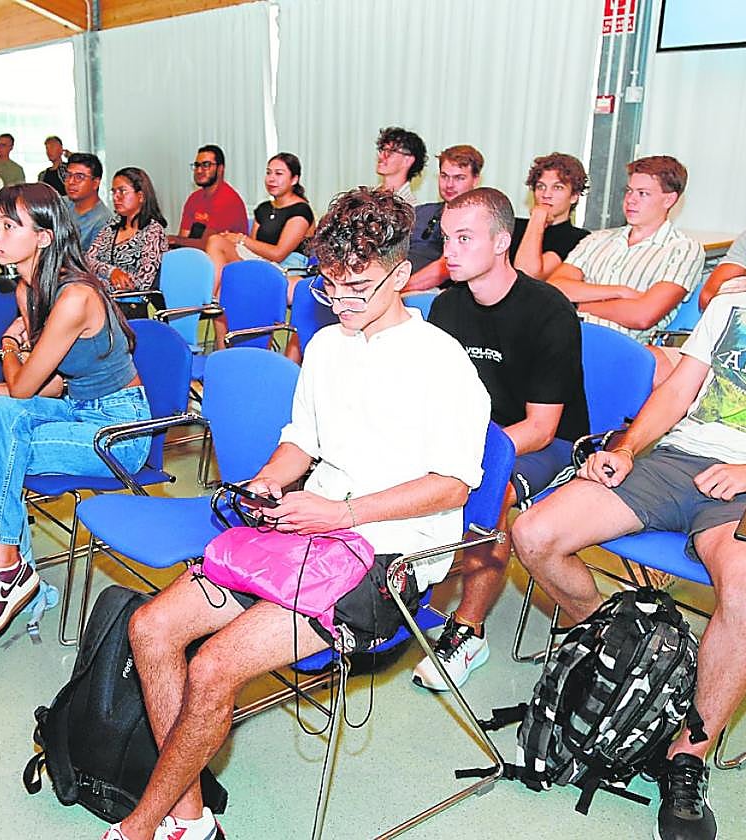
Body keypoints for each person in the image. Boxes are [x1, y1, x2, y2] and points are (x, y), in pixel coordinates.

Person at [101, 186, 490, 840]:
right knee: (150, 628)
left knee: (214, 666)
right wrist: (267, 482)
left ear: (401, 275)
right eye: (328, 285)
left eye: (358, 286)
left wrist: (342, 513)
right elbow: (301, 442)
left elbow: (453, 486)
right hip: (315, 528)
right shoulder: (330, 344)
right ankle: (190, 820)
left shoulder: (442, 364)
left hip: (392, 556)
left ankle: (142, 827)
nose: (340, 302)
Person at [512, 164, 746, 840]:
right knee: (534, 532)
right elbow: (676, 392)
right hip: (677, 463)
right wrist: (630, 447)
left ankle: (687, 753)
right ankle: (636, 657)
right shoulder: (738, 300)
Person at [0, 183, 149, 646]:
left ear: (44, 237)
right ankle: (7, 568)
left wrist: (9, 346)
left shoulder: (74, 297)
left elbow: (25, 385)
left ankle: (6, 572)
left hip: (118, 430)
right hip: (74, 408)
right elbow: (51, 382)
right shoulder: (27, 289)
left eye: (8, 226)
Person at [415, 187, 588, 690]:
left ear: (500, 243)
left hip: (546, 445)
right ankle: (404, 591)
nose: (450, 251)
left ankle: (468, 630)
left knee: (494, 488)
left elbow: (542, 428)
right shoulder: (447, 307)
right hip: (475, 434)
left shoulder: (548, 311)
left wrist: (465, 456)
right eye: (446, 238)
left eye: (464, 238)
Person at [547, 155, 703, 385]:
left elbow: (642, 315)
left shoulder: (683, 249)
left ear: (669, 199)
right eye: (629, 191)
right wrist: (620, 292)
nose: (631, 200)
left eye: (643, 194)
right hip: (565, 336)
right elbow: (556, 287)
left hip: (619, 348)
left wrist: (577, 303)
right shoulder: (598, 239)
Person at [205, 152, 313, 346]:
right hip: (258, 262)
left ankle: (248, 346)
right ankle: (221, 346)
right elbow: (253, 249)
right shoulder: (263, 208)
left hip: (284, 269)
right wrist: (236, 241)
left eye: (278, 173)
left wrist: (241, 239)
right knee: (216, 242)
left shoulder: (301, 211)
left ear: (294, 179)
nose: (271, 178)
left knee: (230, 286)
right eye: (268, 172)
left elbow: (279, 252)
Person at [85, 166, 169, 319]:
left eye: (122, 191)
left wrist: (98, 283)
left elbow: (143, 283)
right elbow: (87, 260)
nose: (116, 197)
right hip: (102, 298)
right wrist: (112, 272)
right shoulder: (111, 226)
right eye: (113, 192)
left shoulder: (153, 232)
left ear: (141, 196)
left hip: (131, 306)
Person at [405, 144, 484, 290]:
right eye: (444, 176)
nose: (449, 185)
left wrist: (395, 291)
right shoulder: (421, 212)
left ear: (475, 180)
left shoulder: (478, 221)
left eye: (459, 178)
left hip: (431, 294)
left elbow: (444, 270)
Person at [508, 152, 591, 279]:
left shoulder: (579, 238)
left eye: (557, 187)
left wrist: (537, 218)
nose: (546, 194)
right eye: (541, 187)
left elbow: (527, 275)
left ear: (574, 196)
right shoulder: (511, 226)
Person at [169, 144, 249, 251]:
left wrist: (174, 240)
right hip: (196, 256)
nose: (199, 171)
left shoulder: (228, 199)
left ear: (220, 169)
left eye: (206, 165)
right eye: (197, 165)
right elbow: (184, 238)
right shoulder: (194, 198)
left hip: (225, 260)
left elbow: (207, 244)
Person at [63, 152, 114, 251]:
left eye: (79, 177)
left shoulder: (103, 222)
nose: (71, 182)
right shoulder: (61, 205)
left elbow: (91, 263)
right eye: (68, 175)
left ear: (95, 183)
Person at [374, 125, 427, 205]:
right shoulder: (368, 195)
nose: (381, 156)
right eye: (382, 150)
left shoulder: (410, 208)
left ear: (408, 160)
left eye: (389, 152)